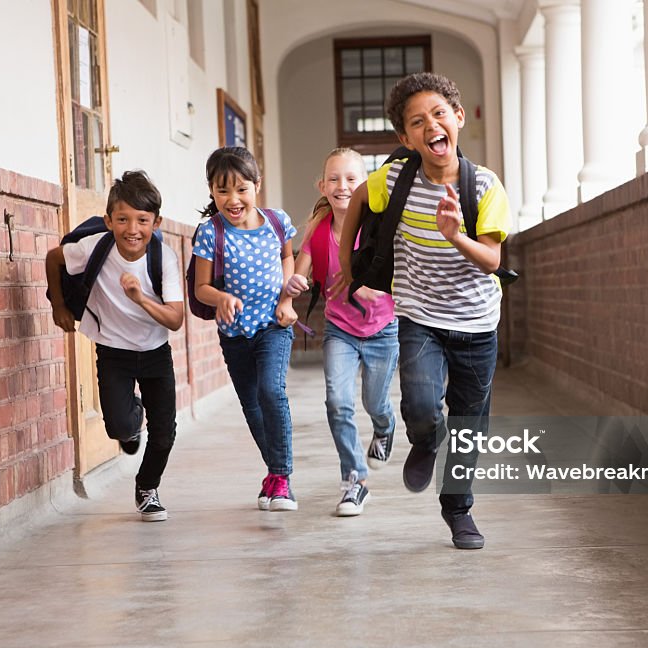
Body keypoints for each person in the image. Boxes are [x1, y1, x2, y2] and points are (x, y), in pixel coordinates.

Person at [335, 73, 510, 549]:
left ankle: (459, 512)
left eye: (438, 114)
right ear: (405, 138)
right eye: (417, 121)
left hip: (477, 322)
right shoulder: (393, 179)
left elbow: (493, 259)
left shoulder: (486, 186)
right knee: (420, 404)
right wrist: (349, 265)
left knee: (470, 424)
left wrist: (456, 235)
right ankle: (427, 439)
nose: (431, 125)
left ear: (457, 118)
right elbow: (353, 203)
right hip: (421, 316)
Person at [45, 170, 184, 522]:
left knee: (164, 433)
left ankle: (147, 488)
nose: (132, 229)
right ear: (109, 220)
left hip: (155, 352)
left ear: (156, 222)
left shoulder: (163, 258)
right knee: (119, 428)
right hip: (113, 351)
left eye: (142, 220)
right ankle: (130, 418)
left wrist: (140, 298)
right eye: (122, 219)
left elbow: (175, 319)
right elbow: (53, 258)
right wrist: (59, 305)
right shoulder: (95, 247)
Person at [284, 148, 398, 517]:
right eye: (333, 179)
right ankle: (354, 480)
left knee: (374, 402)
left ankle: (384, 426)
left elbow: (401, 275)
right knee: (338, 401)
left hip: (382, 328)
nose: (342, 186)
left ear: (365, 184)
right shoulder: (318, 228)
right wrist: (295, 284)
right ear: (322, 185)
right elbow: (300, 273)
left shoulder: (377, 226)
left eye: (351, 179)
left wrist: (371, 288)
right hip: (340, 330)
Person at [192, 146, 300, 512]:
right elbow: (200, 288)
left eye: (241, 189)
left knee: (271, 391)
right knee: (252, 406)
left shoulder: (277, 221)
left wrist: (287, 298)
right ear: (211, 191)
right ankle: (273, 471)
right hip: (234, 333)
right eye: (223, 191)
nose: (233, 199)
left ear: (257, 184)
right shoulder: (210, 232)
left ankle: (282, 478)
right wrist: (220, 298)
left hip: (273, 325)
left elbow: (288, 257)